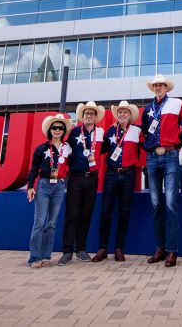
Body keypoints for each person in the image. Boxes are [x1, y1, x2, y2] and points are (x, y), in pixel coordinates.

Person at [141, 74, 182, 267]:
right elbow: (145, 131)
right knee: (156, 203)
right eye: (156, 85)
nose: (158, 87)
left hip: (171, 155)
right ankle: (159, 248)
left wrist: (181, 139)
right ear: (153, 88)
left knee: (171, 203)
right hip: (152, 158)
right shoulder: (148, 108)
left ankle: (172, 251)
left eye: (161, 85)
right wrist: (148, 146)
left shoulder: (176, 104)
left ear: (166, 88)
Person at [92, 101, 142, 263]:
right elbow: (101, 149)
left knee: (124, 212)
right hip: (111, 174)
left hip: (128, 175)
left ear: (130, 115)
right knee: (106, 211)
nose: (122, 115)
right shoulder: (110, 131)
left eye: (125, 112)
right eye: (119, 112)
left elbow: (147, 146)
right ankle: (102, 248)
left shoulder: (137, 131)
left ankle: (119, 248)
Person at [59, 101, 105, 264]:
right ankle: (67, 251)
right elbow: (65, 150)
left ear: (95, 117)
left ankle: (81, 249)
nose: (89, 116)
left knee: (86, 214)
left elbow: (103, 150)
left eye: (91, 114)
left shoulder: (101, 133)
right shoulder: (73, 132)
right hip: (76, 177)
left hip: (92, 178)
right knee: (72, 214)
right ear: (82, 116)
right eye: (86, 114)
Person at [26, 114, 72, 268]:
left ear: (64, 130)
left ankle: (46, 255)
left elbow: (70, 168)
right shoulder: (42, 148)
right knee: (39, 222)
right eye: (55, 127)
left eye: (60, 127)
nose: (57, 130)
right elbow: (33, 169)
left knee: (51, 223)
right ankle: (34, 258)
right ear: (50, 130)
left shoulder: (68, 148)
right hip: (44, 185)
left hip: (59, 186)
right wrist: (31, 187)